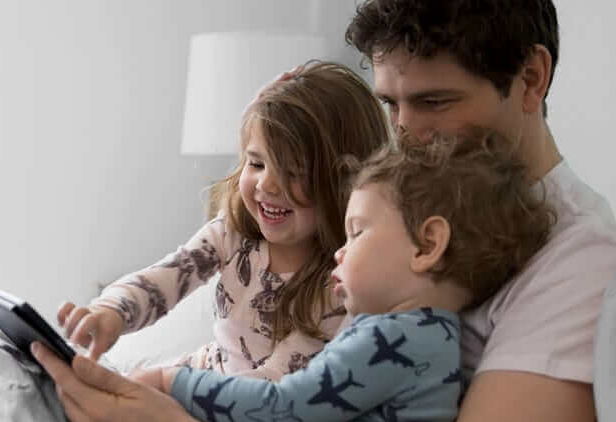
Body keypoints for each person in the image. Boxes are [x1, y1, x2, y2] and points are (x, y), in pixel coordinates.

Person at [34, 0, 616, 422]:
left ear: (531, 78)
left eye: (433, 102)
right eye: (390, 104)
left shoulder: (577, 259)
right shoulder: (416, 194)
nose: (405, 132)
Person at [134, 130, 555, 422]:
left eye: (357, 232)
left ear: (427, 246)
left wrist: (173, 383)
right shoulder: (427, 334)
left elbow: (285, 407)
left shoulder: (397, 337)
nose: (340, 250)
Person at [56, 61, 390, 382]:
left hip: (249, 403)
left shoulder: (339, 283)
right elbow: (164, 279)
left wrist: (164, 389)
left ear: (344, 181)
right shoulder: (232, 232)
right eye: (256, 163)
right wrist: (110, 313)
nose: (266, 185)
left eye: (293, 172)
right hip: (205, 371)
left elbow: (275, 383)